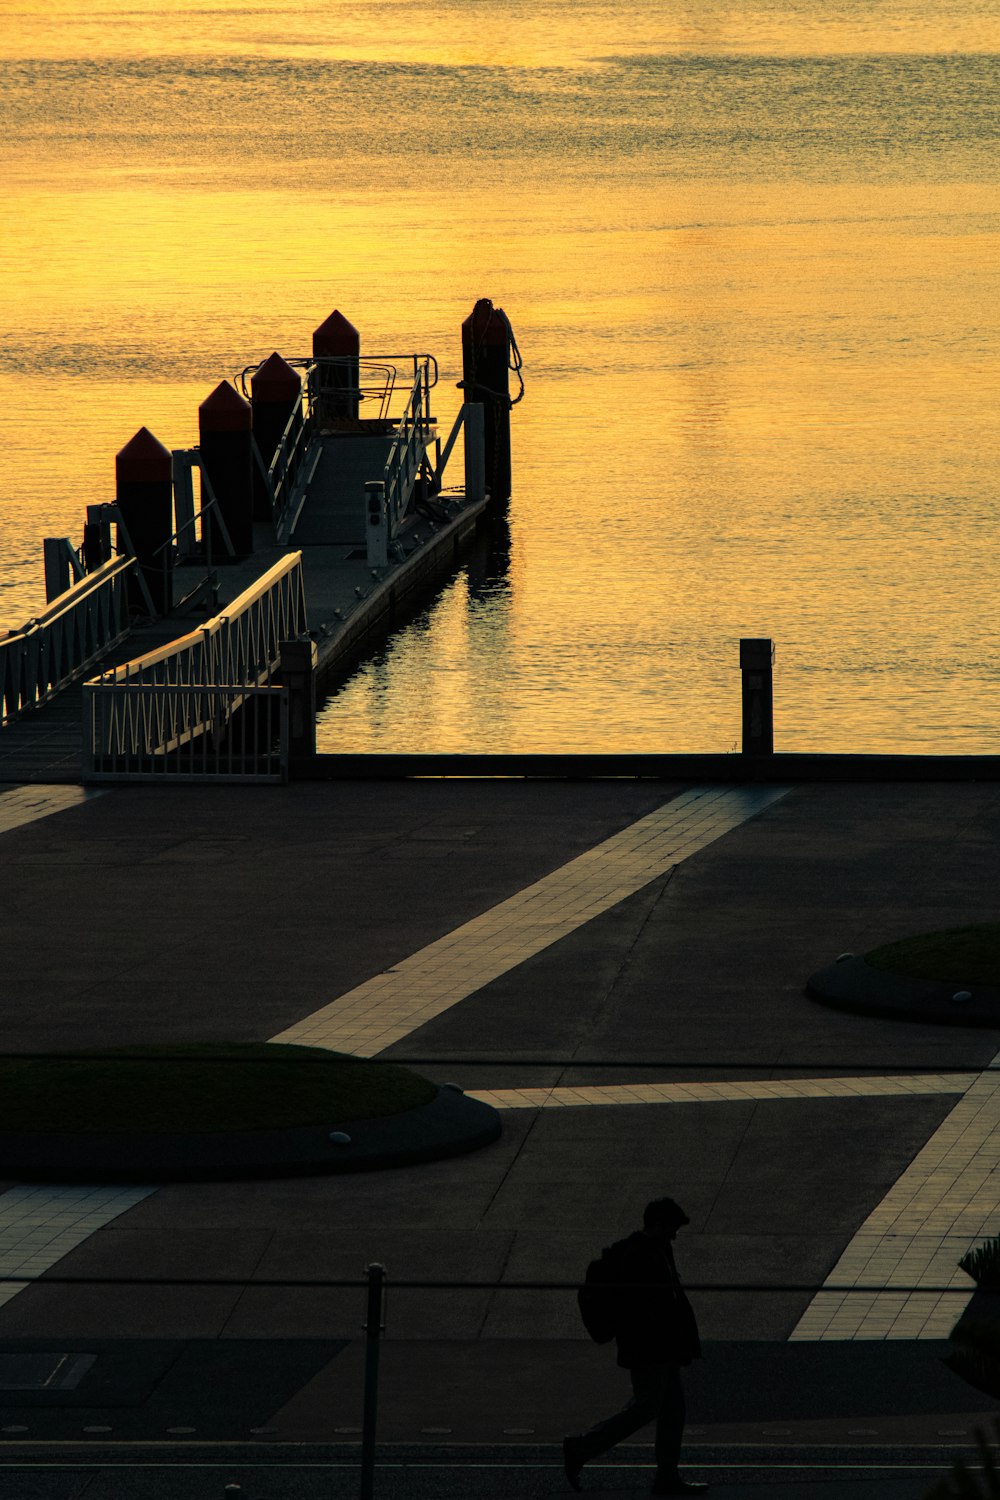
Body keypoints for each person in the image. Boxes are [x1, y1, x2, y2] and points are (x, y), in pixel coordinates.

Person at [563, 1196, 707, 1496]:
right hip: (650, 1349)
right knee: (646, 1408)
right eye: (671, 1228)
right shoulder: (639, 1256)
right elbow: (647, 1308)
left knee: (671, 1411)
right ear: (657, 1225)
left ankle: (667, 1477)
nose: (675, 1235)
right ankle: (582, 1447)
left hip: (662, 1348)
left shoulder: (655, 1249)